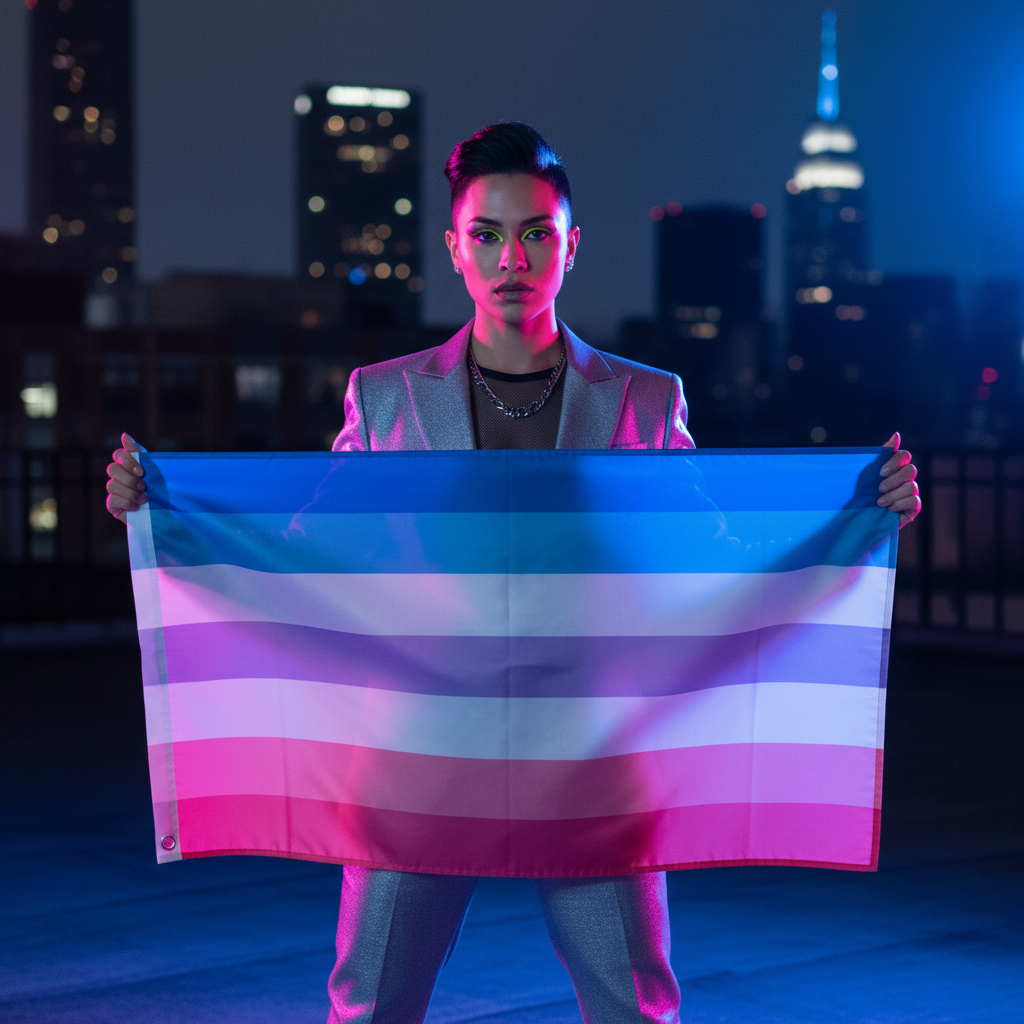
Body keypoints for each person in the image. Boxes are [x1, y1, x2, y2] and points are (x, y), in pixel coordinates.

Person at [106, 122, 922, 1024]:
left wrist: (859, 517)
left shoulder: (646, 400)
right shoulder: (385, 395)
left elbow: (718, 562)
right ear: (455, 248)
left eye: (536, 232)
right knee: (371, 1008)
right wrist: (162, 512)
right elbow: (304, 553)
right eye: (488, 234)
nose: (512, 256)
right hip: (419, 754)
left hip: (591, 759)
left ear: (571, 246)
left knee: (632, 1011)